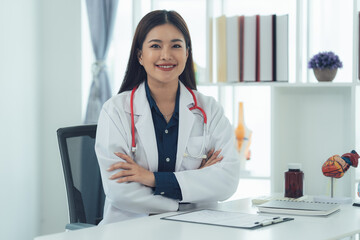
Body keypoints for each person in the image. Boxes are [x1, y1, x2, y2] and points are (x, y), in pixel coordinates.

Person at [95, 10, 240, 224]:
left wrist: (152, 179)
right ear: (140, 56)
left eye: (176, 45)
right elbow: (119, 190)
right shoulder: (115, 111)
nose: (166, 55)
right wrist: (185, 200)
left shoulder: (210, 110)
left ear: (187, 53)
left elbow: (227, 180)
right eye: (155, 46)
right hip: (132, 228)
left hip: (196, 229)